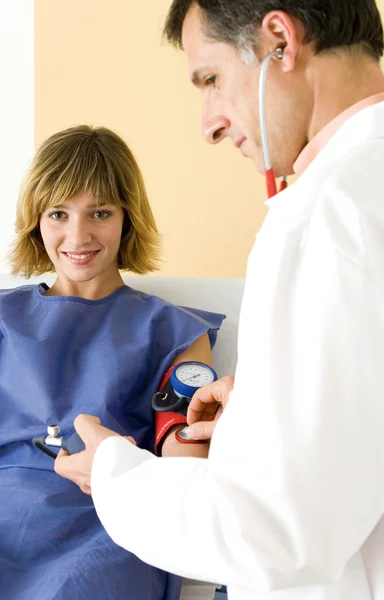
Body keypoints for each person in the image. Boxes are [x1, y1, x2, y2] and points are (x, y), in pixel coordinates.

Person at [55, 1, 384, 599]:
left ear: (280, 40)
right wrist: (260, 414)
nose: (209, 124)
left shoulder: (326, 218)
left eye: (211, 80)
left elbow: (277, 533)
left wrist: (112, 473)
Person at [0, 124, 225, 600]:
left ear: (127, 218)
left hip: (109, 523)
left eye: (100, 212)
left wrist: (132, 471)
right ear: (36, 219)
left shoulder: (175, 333)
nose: (78, 235)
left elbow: (185, 461)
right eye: (58, 213)